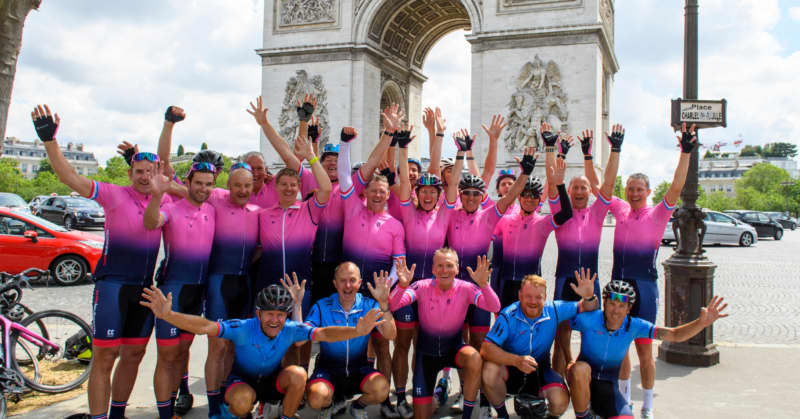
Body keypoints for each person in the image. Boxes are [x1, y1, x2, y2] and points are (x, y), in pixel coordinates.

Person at [32, 104, 170, 419]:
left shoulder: (165, 197)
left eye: (151, 172)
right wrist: (50, 142)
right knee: (105, 358)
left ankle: (117, 414)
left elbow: (192, 192)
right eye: (139, 172)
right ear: (129, 173)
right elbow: (70, 178)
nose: (145, 177)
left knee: (134, 354)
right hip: (112, 285)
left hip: (143, 289)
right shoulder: (112, 194)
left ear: (158, 173)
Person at [140, 282, 385, 419]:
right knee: (240, 402)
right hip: (243, 383)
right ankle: (244, 412)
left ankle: (286, 416)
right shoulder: (243, 327)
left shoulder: (290, 328)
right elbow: (205, 326)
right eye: (270, 314)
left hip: (271, 383)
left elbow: (323, 333)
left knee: (299, 374)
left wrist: (356, 331)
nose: (275, 320)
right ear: (258, 313)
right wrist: (169, 315)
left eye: (280, 315)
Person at [604, 123, 697, 418]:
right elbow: (599, 185)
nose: (633, 193)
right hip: (619, 285)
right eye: (630, 189)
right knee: (620, 349)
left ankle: (648, 406)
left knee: (644, 350)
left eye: (639, 189)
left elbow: (677, 187)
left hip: (644, 286)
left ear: (647, 191)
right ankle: (623, 401)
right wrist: (612, 151)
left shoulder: (659, 212)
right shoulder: (618, 209)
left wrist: (685, 152)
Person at [567, 281, 728, 419]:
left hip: (609, 386)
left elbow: (674, 334)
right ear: (605, 303)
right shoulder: (590, 319)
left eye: (621, 306)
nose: (615, 310)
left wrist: (701, 323)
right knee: (580, 369)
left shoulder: (635, 326)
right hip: (584, 380)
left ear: (628, 309)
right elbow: (562, 325)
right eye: (611, 304)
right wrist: (568, 359)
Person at [387, 125, 460, 418]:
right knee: (402, 343)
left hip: (431, 290)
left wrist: (463, 152)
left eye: (433, 192)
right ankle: (401, 394)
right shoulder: (407, 210)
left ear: (438, 195)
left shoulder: (444, 212)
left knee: (422, 343)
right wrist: (403, 148)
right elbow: (404, 178)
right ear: (417, 194)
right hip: (408, 288)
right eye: (424, 191)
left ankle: (423, 389)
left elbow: (453, 185)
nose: (428, 196)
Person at [143, 161, 216, 419]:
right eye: (199, 183)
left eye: (209, 184)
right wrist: (156, 195)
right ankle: (164, 414)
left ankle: (174, 402)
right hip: (173, 290)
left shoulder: (212, 210)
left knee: (183, 352)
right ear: (188, 183)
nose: (203, 188)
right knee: (167, 356)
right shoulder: (172, 209)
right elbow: (152, 222)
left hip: (197, 294)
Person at [390, 249, 500, 419]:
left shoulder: (467, 288)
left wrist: (484, 285)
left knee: (474, 358)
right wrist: (401, 286)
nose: (444, 270)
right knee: (422, 415)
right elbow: (393, 305)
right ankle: (434, 400)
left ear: (457, 268)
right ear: (432, 269)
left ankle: (467, 414)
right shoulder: (422, 286)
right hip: (426, 357)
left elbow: (495, 307)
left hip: (454, 350)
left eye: (449, 265)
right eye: (440, 266)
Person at [247, 97, 332, 317]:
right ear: (274, 185)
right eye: (283, 184)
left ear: (299, 187)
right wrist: (264, 124)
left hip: (300, 286)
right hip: (267, 284)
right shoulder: (262, 215)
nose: (288, 188)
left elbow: (324, 188)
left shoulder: (309, 210)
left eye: (292, 185)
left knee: (299, 342)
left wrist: (312, 157)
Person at [548, 125, 621, 376]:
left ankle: (585, 378)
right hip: (565, 280)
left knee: (592, 333)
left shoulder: (598, 212)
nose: (579, 192)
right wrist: (559, 153)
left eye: (583, 188)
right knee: (562, 335)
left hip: (591, 282)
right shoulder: (562, 214)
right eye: (574, 188)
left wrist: (615, 150)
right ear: (568, 192)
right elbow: (552, 181)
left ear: (590, 193)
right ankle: (559, 380)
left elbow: (609, 183)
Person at [481, 268, 599, 419]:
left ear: (545, 297)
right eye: (528, 296)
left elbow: (586, 307)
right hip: (512, 368)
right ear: (520, 296)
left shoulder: (553, 310)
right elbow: (486, 348)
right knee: (489, 371)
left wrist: (589, 297)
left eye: (538, 297)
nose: (533, 301)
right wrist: (516, 360)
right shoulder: (508, 315)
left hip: (540, 368)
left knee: (560, 401)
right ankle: (503, 414)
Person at [203, 162, 262, 418]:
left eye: (247, 185)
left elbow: (261, 246)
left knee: (235, 346)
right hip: (219, 282)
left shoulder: (257, 211)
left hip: (244, 283)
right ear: (227, 186)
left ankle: (228, 400)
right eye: (237, 185)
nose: (242, 190)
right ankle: (213, 406)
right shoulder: (215, 200)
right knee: (217, 347)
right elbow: (184, 190)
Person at [305, 262, 397, 419]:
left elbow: (390, 334)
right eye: (342, 280)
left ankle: (357, 406)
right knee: (316, 398)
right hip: (328, 370)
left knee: (382, 389)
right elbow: (306, 333)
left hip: (358, 370)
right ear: (335, 283)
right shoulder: (322, 306)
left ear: (360, 282)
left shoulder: (369, 305)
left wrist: (383, 304)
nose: (348, 285)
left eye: (352, 280)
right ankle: (329, 404)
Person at [493, 147, 573, 308]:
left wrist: (560, 184)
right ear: (519, 197)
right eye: (526, 195)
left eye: (534, 196)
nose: (529, 199)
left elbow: (566, 213)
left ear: (539, 199)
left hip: (532, 285)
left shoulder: (543, 222)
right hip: (507, 283)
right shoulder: (504, 220)